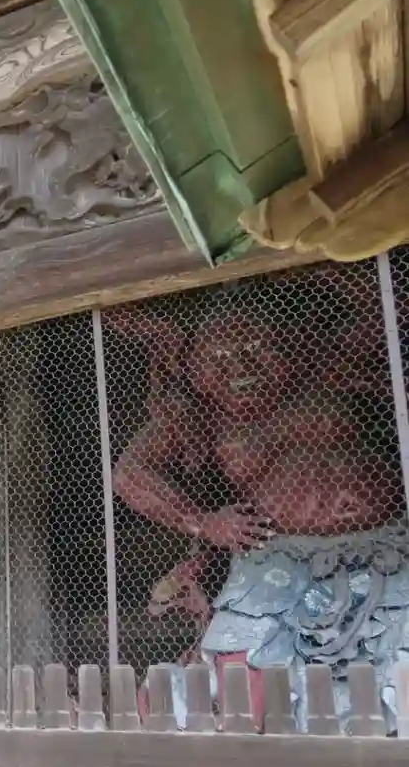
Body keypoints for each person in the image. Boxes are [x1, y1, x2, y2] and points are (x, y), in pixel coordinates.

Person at [109, 282, 406, 730]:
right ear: (192, 363)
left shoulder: (328, 369)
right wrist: (203, 523)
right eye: (218, 357)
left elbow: (389, 306)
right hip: (274, 552)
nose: (240, 367)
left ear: (288, 340)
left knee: (394, 653)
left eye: (254, 347)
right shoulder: (198, 412)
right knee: (245, 660)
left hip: (383, 546)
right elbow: (129, 474)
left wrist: (329, 268)